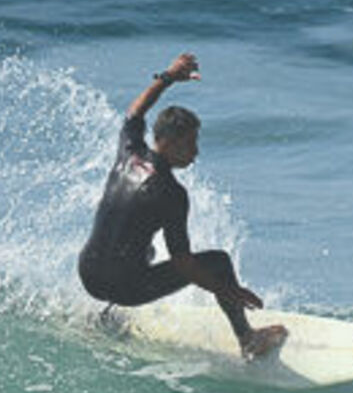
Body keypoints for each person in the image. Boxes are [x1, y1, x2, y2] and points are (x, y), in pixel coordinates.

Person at [78, 52, 286, 358]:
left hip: (88, 275)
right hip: (125, 288)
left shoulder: (129, 152)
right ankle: (248, 339)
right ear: (169, 141)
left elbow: (135, 112)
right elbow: (184, 264)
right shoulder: (171, 193)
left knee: (142, 249)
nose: (195, 152)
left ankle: (106, 318)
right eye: (190, 143)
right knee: (218, 262)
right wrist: (230, 291)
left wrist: (169, 77)